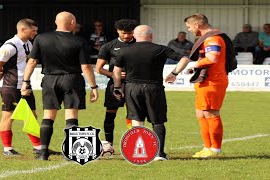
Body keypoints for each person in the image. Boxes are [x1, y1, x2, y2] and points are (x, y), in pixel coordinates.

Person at [21, 11, 98, 160]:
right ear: (73, 23)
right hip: (72, 79)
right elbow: (86, 67)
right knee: (71, 116)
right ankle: (69, 153)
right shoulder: (79, 41)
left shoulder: (41, 38)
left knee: (48, 116)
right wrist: (93, 87)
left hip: (50, 80)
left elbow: (31, 62)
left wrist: (25, 81)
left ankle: (43, 153)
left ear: (56, 22)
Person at [112, 25, 190, 161]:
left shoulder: (124, 50)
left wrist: (118, 87)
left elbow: (116, 71)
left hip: (132, 87)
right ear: (151, 36)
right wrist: (174, 73)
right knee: (157, 120)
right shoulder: (161, 49)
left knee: (136, 119)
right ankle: (159, 154)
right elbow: (185, 59)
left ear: (134, 36)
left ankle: (138, 152)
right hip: (154, 88)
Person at [0, 18, 48, 156]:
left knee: (32, 116)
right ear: (24, 29)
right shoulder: (10, 46)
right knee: (8, 117)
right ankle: (7, 149)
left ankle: (38, 147)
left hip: (25, 86)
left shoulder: (28, 43)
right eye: (33, 30)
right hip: (11, 87)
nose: (35, 33)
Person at [179, 14, 230, 158]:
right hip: (205, 81)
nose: (189, 30)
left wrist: (194, 64)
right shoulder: (208, 38)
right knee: (201, 113)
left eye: (189, 27)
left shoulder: (212, 38)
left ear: (196, 25)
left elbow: (213, 57)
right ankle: (207, 147)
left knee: (210, 113)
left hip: (213, 81)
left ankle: (215, 149)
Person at [96, 19, 138, 150]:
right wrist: (114, 75)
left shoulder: (139, 44)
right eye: (123, 33)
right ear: (118, 31)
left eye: (130, 33)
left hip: (134, 84)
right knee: (110, 113)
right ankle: (109, 144)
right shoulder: (108, 46)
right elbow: (99, 68)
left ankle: (133, 143)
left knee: (134, 114)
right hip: (115, 85)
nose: (126, 36)